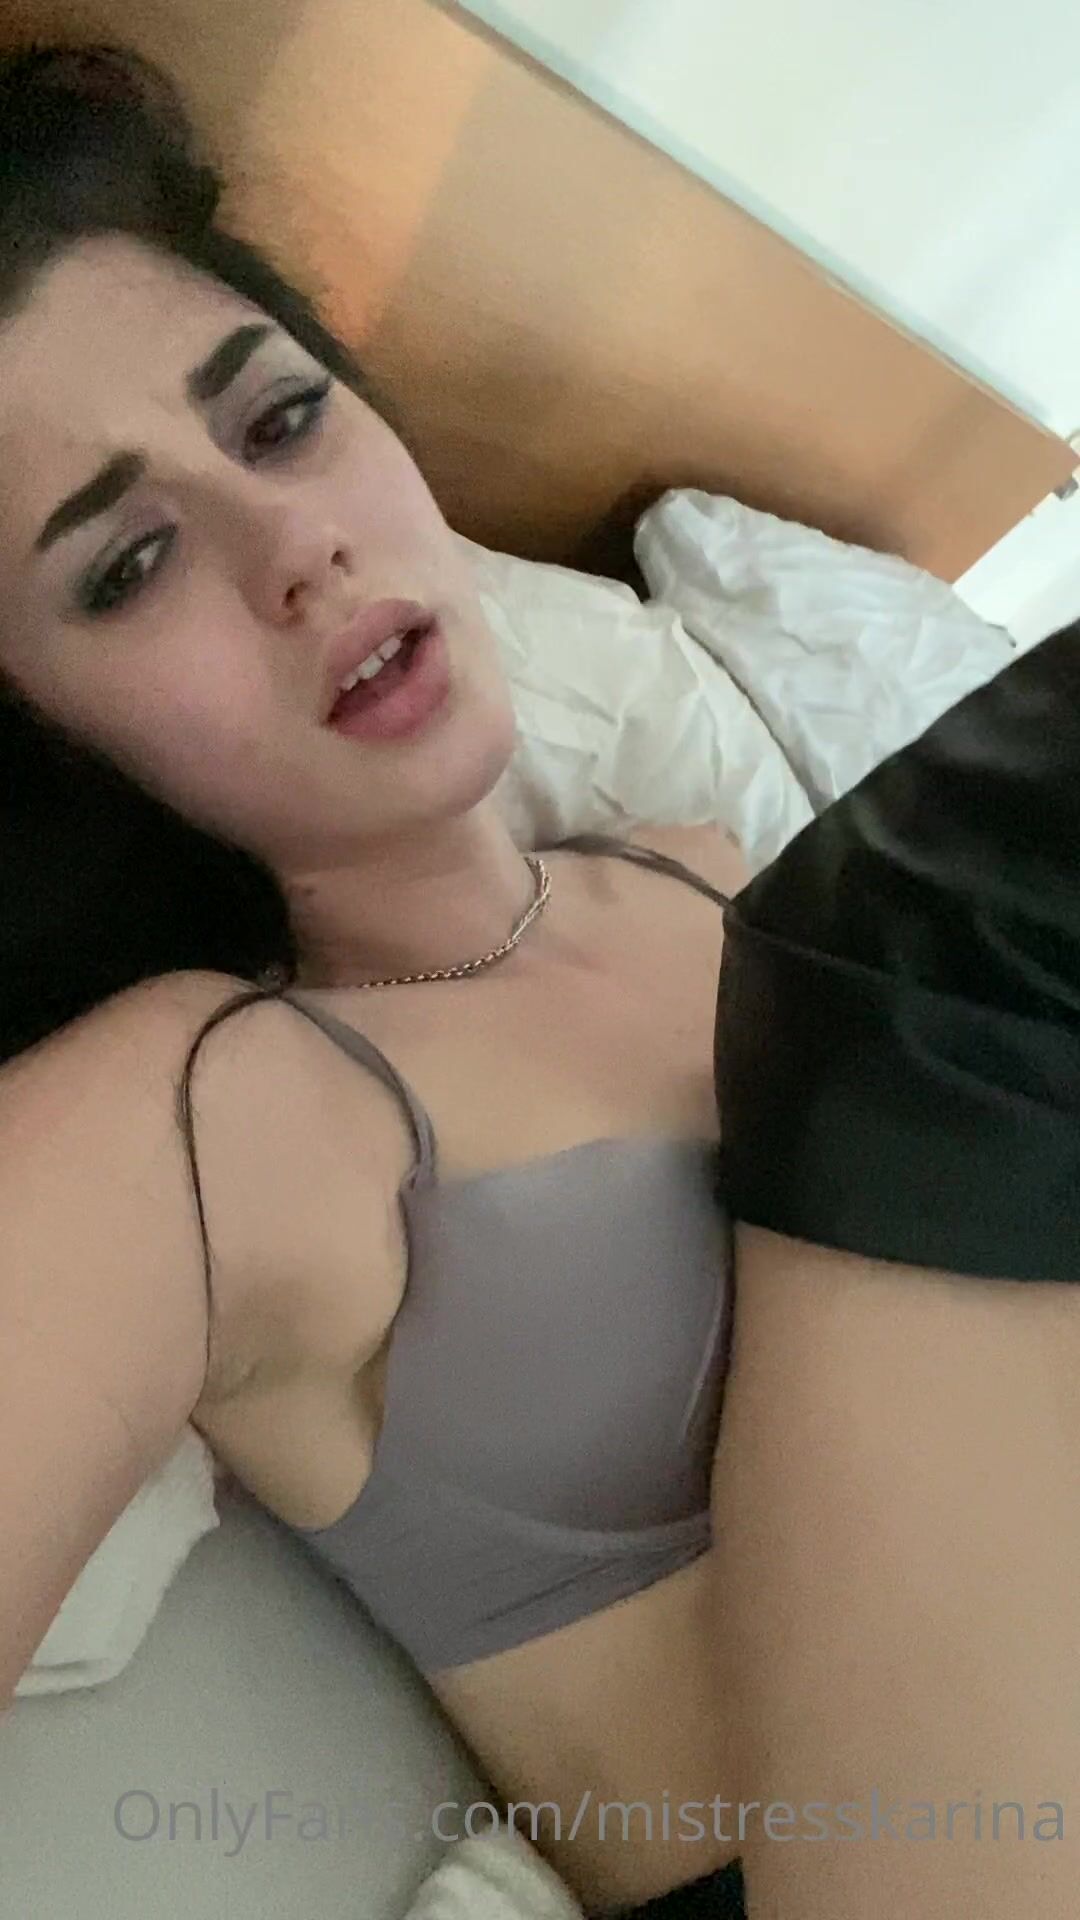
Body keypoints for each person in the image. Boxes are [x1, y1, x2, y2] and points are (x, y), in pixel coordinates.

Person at [1, 44, 1078, 1920]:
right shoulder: (198, 1108)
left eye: (279, 421)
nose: (297, 548)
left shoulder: (708, 873)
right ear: (47, 747)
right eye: (131, 563)